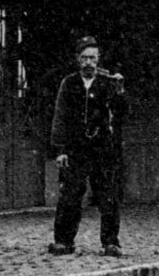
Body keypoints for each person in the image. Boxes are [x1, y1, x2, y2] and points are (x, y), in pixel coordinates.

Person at [48, 37, 128, 257]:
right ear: (78, 59)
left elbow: (121, 113)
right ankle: (63, 241)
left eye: (92, 58)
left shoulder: (108, 83)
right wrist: (60, 150)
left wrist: (120, 91)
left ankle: (110, 242)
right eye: (84, 58)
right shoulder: (69, 83)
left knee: (108, 195)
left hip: (102, 148)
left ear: (98, 59)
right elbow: (60, 116)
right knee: (70, 195)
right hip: (75, 149)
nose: (88, 63)